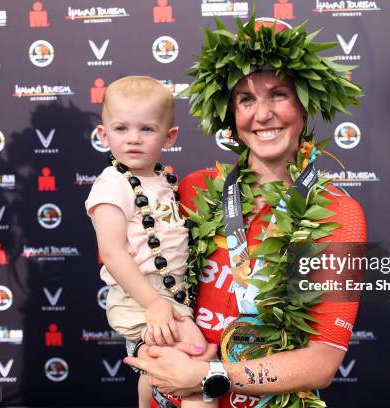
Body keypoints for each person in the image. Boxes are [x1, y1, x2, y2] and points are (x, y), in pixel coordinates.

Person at [125, 17, 366, 408]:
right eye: (246, 99)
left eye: (279, 94)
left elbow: (324, 360)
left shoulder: (341, 214)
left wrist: (209, 377)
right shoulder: (193, 188)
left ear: (306, 104)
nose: (262, 114)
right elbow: (143, 279)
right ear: (232, 116)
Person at [85, 76, 212, 408]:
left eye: (146, 130)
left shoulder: (162, 180)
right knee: (199, 377)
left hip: (170, 296)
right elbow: (112, 253)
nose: (133, 140)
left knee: (156, 369)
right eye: (121, 128)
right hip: (141, 299)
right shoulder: (112, 185)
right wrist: (154, 304)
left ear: (169, 137)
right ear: (103, 134)